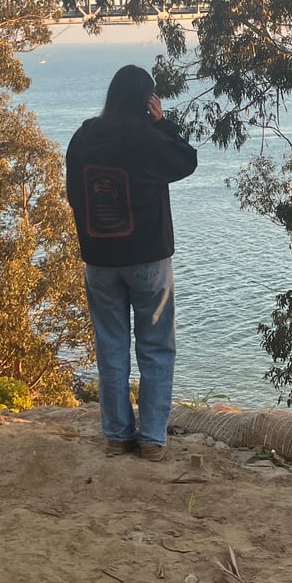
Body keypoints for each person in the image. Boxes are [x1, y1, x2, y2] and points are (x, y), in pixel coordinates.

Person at [66, 65, 197, 461]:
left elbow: (74, 194)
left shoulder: (83, 137)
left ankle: (117, 436)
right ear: (147, 101)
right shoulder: (145, 138)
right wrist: (164, 125)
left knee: (111, 347)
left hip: (101, 262)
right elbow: (185, 161)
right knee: (156, 347)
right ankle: (153, 438)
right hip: (148, 260)